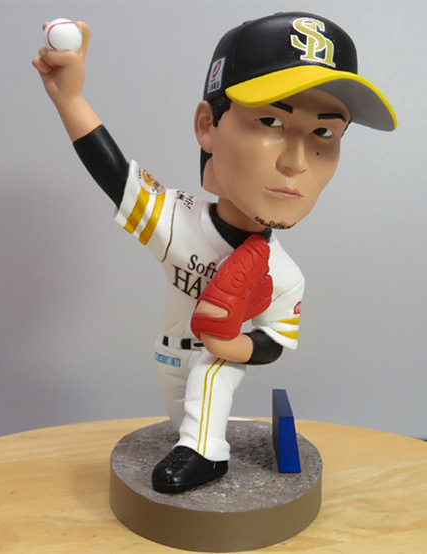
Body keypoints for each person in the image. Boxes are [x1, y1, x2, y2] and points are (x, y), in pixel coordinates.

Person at [32, 11, 396, 493]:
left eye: (324, 133)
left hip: (212, 359)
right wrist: (70, 99)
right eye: (271, 120)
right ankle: (196, 440)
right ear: (208, 125)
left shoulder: (284, 274)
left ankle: (208, 453)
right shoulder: (179, 222)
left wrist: (231, 345)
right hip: (168, 355)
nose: (295, 162)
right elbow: (114, 174)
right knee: (182, 413)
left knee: (212, 373)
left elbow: (273, 342)